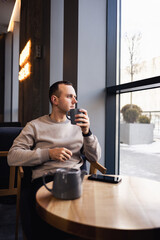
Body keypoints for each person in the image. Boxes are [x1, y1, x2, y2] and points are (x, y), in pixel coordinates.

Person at [8, 80, 101, 239]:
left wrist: (87, 132)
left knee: (91, 216)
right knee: (53, 223)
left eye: (75, 97)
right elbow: (12, 156)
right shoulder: (35, 126)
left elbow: (95, 157)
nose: (75, 101)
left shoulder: (79, 125)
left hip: (77, 177)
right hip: (47, 179)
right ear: (55, 100)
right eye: (70, 96)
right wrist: (49, 154)